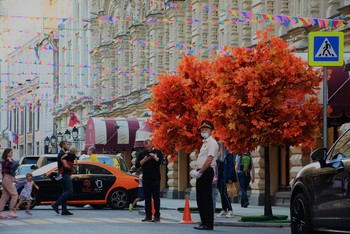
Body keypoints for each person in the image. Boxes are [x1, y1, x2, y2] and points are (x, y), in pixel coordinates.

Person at [193, 120, 219, 231]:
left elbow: (209, 159)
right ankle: (204, 222)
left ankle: (208, 223)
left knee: (206, 198)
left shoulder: (212, 143)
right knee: (200, 198)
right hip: (202, 171)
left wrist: (200, 172)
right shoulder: (205, 143)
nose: (203, 131)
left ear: (211, 131)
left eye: (205, 129)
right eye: (202, 130)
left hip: (206, 171)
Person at [135, 139, 164, 222]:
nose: (147, 148)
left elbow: (163, 162)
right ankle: (148, 215)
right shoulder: (142, 154)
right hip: (146, 178)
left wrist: (155, 157)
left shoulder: (158, 152)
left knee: (156, 197)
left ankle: (157, 216)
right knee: (147, 198)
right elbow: (137, 165)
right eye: (146, 147)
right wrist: (144, 160)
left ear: (152, 145)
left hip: (156, 178)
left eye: (149, 147)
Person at [51, 141, 75, 215]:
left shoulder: (62, 154)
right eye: (67, 144)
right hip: (65, 175)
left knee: (65, 192)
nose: (68, 146)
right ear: (63, 145)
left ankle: (64, 210)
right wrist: (72, 169)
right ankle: (56, 204)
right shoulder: (62, 154)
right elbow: (65, 165)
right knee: (70, 191)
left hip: (64, 175)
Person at [216, 142, 237, 218]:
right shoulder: (219, 154)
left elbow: (231, 166)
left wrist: (230, 178)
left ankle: (230, 210)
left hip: (226, 177)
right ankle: (224, 209)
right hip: (220, 177)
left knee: (225, 193)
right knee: (222, 193)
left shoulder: (228, 154)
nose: (218, 145)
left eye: (219, 144)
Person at [0, 148, 19, 219]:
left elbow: (15, 166)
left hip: (7, 178)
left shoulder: (5, 160)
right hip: (7, 179)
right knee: (14, 194)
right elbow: (12, 167)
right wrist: (11, 161)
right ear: (7, 153)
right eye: (11, 152)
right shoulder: (6, 161)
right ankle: (11, 211)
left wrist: (14, 178)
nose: (12, 154)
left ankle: (0, 212)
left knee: (4, 197)